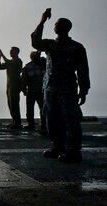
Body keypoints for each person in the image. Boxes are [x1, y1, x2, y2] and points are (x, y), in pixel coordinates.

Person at [31, 9, 90, 163]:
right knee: (52, 118)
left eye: (56, 24)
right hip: (50, 88)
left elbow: (83, 70)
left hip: (67, 89)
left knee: (71, 120)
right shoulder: (51, 45)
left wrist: (83, 90)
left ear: (64, 28)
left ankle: (74, 151)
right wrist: (42, 21)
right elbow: (35, 42)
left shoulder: (76, 47)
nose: (54, 26)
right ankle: (57, 146)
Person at [0, 47, 23, 129]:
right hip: (9, 85)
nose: (10, 52)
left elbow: (8, 63)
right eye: (10, 51)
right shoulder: (10, 62)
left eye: (12, 51)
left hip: (15, 85)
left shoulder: (18, 61)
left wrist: (2, 55)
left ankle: (17, 122)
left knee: (14, 104)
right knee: (10, 104)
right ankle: (14, 120)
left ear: (16, 52)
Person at [21, 51, 46, 132]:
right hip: (39, 90)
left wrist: (24, 89)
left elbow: (23, 79)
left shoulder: (29, 67)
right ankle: (43, 124)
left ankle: (32, 124)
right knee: (41, 107)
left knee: (32, 108)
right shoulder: (43, 65)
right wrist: (24, 89)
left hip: (34, 90)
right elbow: (24, 79)